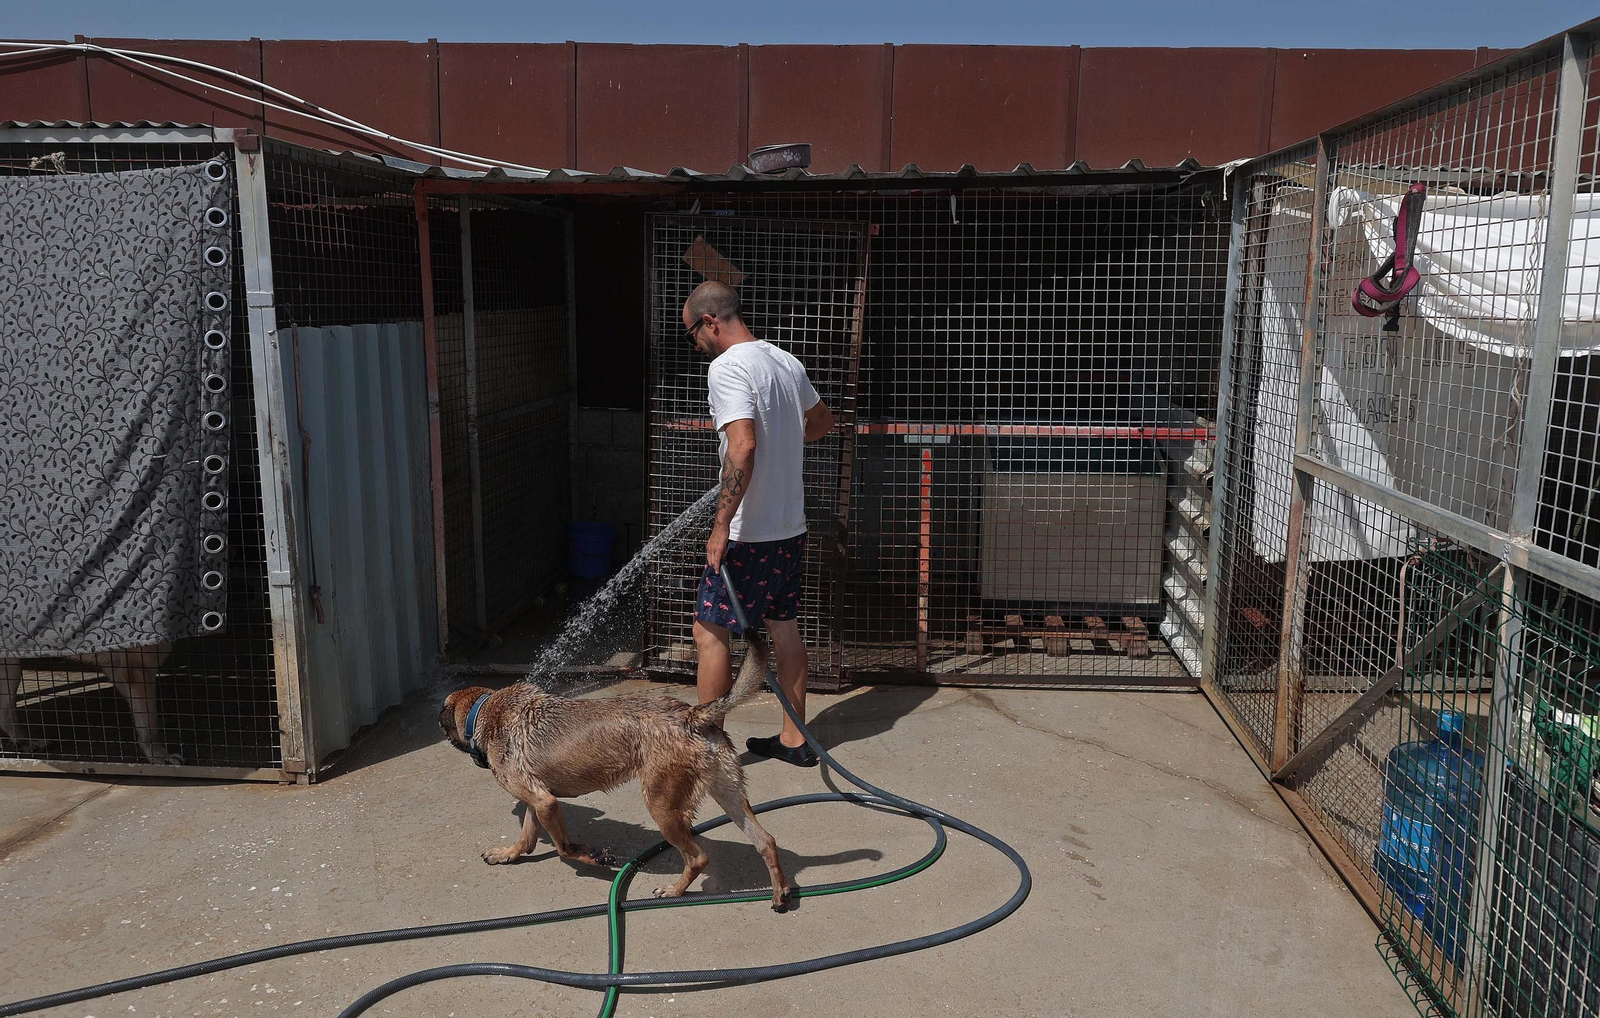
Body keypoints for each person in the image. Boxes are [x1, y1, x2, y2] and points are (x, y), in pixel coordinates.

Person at [683, 279, 833, 767]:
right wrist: (784, 441)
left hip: (748, 533)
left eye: (692, 334)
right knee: (784, 629)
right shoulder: (784, 361)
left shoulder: (728, 367)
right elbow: (822, 422)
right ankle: (794, 740)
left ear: (710, 322)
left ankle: (709, 751)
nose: (695, 345)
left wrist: (721, 524)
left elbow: (743, 445)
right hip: (789, 526)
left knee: (710, 633)